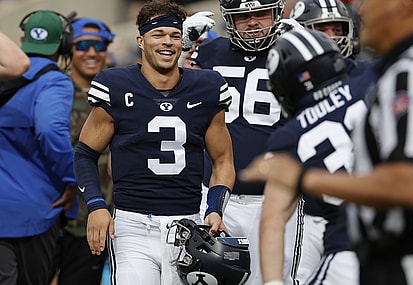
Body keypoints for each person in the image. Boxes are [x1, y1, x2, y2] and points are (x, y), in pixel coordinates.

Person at [240, 0, 413, 284]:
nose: (362, 10)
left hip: (350, 242)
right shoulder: (374, 77)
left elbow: (273, 219)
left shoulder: (289, 135)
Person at [73, 0, 235, 284]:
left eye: (174, 35)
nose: (167, 42)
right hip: (133, 225)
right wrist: (97, 205)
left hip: (188, 223)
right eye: (158, 34)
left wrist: (215, 208)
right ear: (141, 40)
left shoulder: (208, 87)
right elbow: (85, 152)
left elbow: (223, 160)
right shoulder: (116, 84)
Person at [188, 1, 296, 284]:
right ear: (229, 19)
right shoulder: (207, 53)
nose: (252, 23)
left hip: (274, 198)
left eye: (260, 14)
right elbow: (165, 98)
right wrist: (179, 50)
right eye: (242, 16)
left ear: (276, 13)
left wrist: (315, 48)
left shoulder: (294, 53)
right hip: (212, 195)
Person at [264, 28, 365, 285]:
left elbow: (273, 218)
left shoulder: (288, 137)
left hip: (346, 248)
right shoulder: (370, 81)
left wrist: (273, 282)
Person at [0, 10, 78, 285]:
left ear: (22, 38)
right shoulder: (54, 81)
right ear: (64, 45)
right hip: (33, 211)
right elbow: (50, 130)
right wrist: (71, 181)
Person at [50, 17, 116, 285]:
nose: (92, 53)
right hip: (56, 216)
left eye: (99, 46)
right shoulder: (53, 90)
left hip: (101, 217)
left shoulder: (119, 88)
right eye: (83, 45)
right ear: (69, 50)